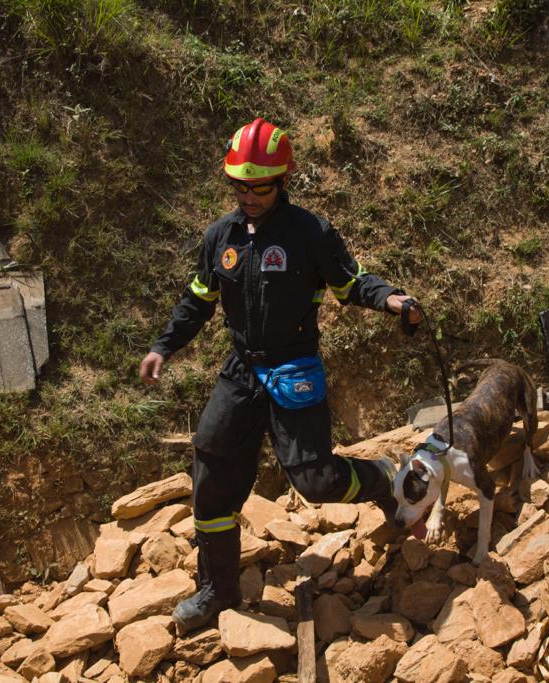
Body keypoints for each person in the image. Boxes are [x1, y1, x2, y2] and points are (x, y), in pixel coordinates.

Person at [138, 117, 421, 635]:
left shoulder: (310, 233)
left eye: (259, 186)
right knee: (212, 471)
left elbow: (350, 283)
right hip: (241, 370)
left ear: (281, 181)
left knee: (314, 480)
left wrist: (392, 299)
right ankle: (217, 590)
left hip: (294, 367)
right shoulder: (219, 236)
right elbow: (198, 300)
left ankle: (381, 477)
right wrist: (163, 347)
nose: (248, 196)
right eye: (239, 186)